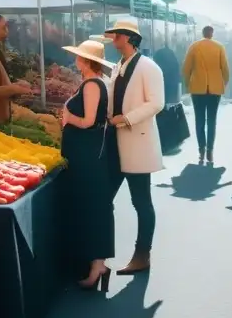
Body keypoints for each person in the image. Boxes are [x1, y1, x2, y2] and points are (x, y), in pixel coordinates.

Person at [103, 20, 164, 275]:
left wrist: (127, 118)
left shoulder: (148, 67)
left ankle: (143, 254)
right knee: (104, 199)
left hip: (136, 141)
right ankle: (99, 257)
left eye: (115, 36)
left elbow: (157, 102)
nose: (112, 40)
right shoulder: (118, 66)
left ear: (127, 38)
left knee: (141, 202)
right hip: (115, 143)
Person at [60, 39, 116, 290]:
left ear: (85, 61)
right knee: (92, 205)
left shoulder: (93, 84)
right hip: (86, 153)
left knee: (93, 206)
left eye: (79, 57)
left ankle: (97, 264)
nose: (75, 60)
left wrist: (68, 117)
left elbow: (88, 121)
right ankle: (96, 264)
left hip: (87, 155)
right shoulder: (94, 83)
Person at [182, 25, 230, 166]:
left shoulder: (194, 47)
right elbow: (225, 69)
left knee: (199, 120)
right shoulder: (219, 47)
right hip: (215, 89)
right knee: (212, 120)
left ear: (202, 33)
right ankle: (210, 150)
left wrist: (188, 84)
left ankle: (201, 149)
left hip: (197, 88)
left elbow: (186, 69)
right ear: (212, 34)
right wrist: (223, 84)